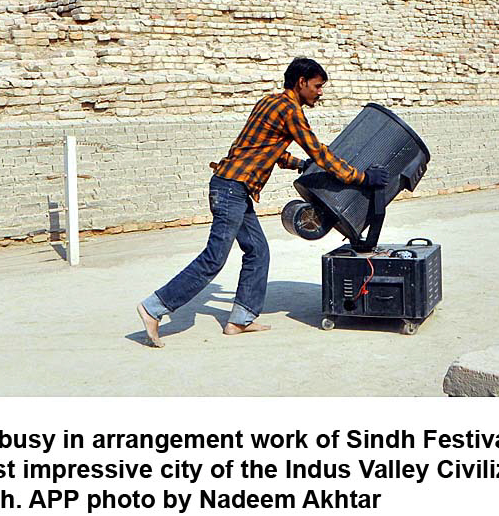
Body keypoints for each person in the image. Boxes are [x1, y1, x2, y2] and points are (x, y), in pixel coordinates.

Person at [136, 57, 387, 347]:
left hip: (233, 188)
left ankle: (240, 319)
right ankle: (154, 308)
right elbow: (320, 152)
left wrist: (297, 164)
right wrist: (360, 177)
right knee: (214, 259)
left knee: (258, 252)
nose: (320, 92)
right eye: (317, 86)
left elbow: (265, 148)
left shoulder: (269, 102)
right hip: (232, 189)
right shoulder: (290, 110)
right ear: (301, 82)